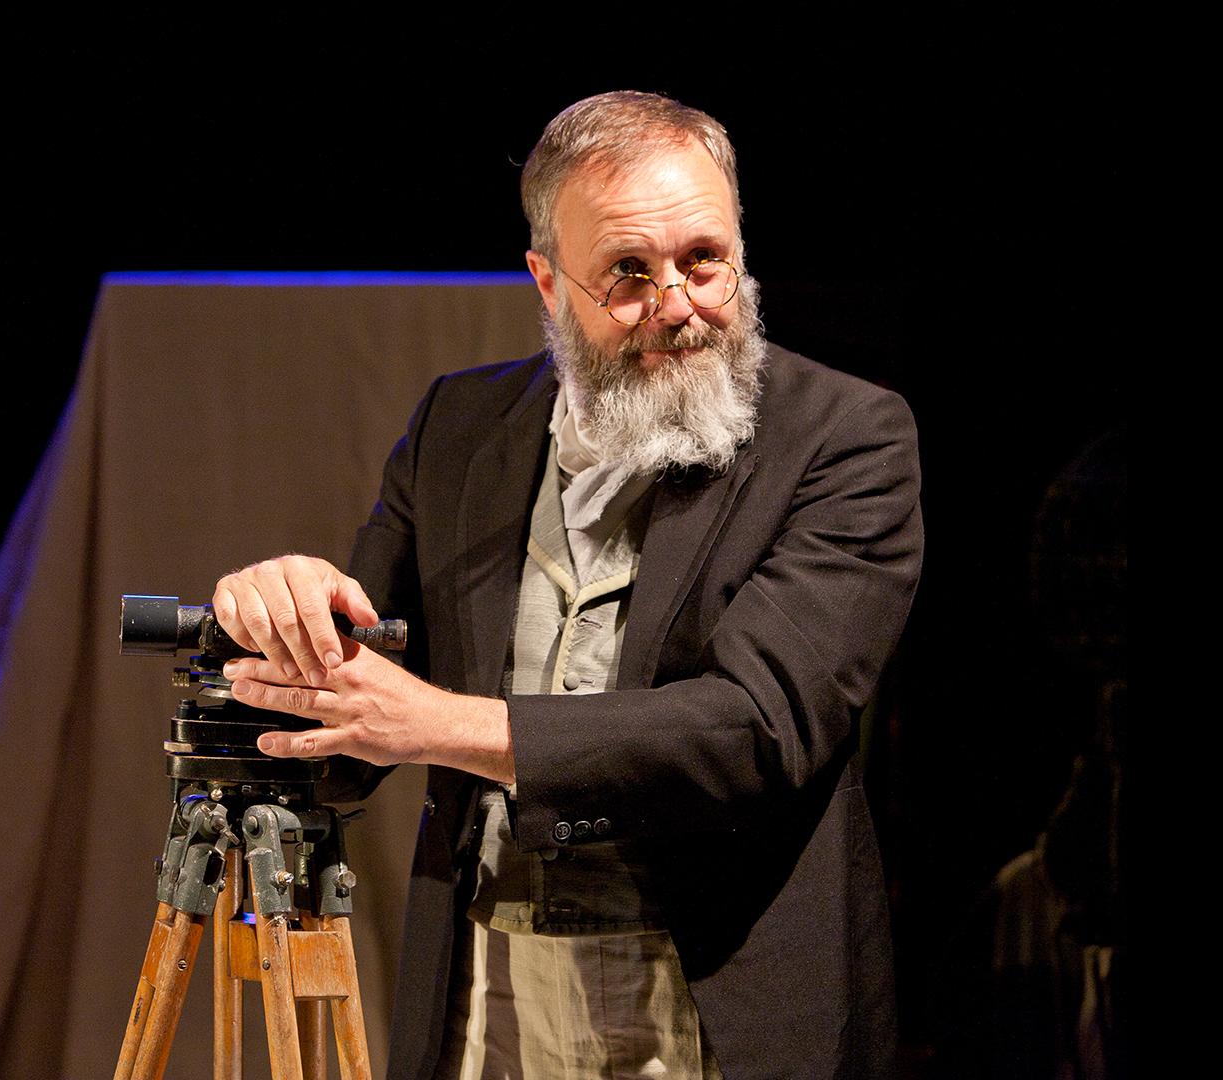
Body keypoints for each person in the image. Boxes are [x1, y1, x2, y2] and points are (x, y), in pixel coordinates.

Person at [211, 91, 922, 1080]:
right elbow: (345, 709)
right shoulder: (460, 428)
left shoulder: (845, 438)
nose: (676, 302)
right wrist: (272, 609)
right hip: (491, 987)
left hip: (711, 990)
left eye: (704, 259)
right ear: (548, 284)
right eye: (627, 272)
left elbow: (760, 728)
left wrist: (437, 725)